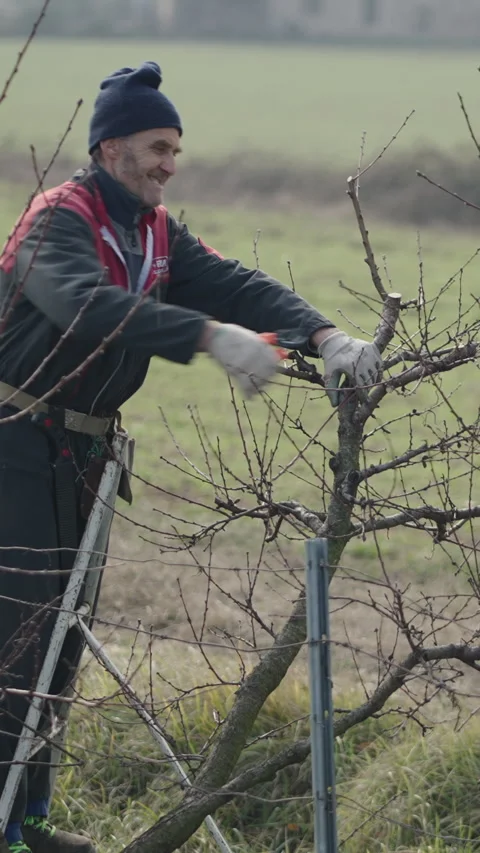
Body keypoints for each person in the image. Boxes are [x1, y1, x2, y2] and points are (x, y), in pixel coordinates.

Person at [0, 61, 381, 853]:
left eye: (176, 148)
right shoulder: (56, 221)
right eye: (158, 146)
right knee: (17, 639)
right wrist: (208, 338)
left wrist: (322, 335)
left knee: (63, 640)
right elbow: (84, 303)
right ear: (111, 149)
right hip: (14, 440)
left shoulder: (153, 231)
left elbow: (231, 282)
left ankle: (27, 819)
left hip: (86, 452)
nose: (171, 163)